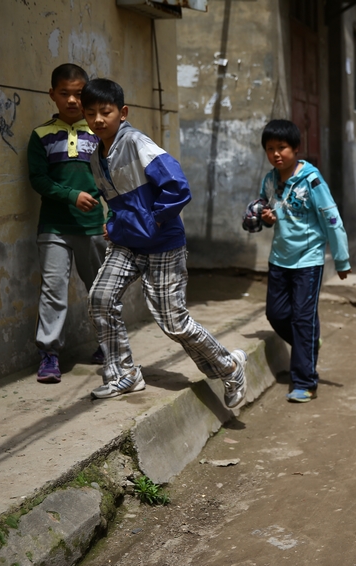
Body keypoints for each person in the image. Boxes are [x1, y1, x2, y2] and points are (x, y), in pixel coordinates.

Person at [80, 78, 247, 406]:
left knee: (173, 321)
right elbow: (118, 203)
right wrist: (115, 224)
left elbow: (178, 187)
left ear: (122, 113)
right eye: (91, 113)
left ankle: (229, 367)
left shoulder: (136, 143)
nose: (98, 119)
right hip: (127, 244)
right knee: (100, 297)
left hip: (164, 244)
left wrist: (150, 220)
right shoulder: (95, 156)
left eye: (106, 112)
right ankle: (125, 374)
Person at [256, 119, 351, 403]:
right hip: (279, 260)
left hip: (308, 262)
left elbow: (331, 219)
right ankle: (308, 342)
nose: (276, 154)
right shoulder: (270, 180)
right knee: (276, 314)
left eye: (282, 147)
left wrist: (342, 259)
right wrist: (266, 217)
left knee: (302, 318)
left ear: (296, 148)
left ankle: (304, 381)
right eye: (270, 148)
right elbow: (263, 208)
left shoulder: (312, 179)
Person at [28, 63, 106, 384]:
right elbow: (39, 180)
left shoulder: (101, 134)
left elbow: (115, 182)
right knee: (53, 291)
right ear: (52, 95)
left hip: (93, 227)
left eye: (78, 94)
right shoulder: (41, 135)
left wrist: (111, 217)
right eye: (64, 94)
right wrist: (72, 194)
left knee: (100, 289)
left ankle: (108, 344)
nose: (72, 100)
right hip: (54, 227)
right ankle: (49, 355)